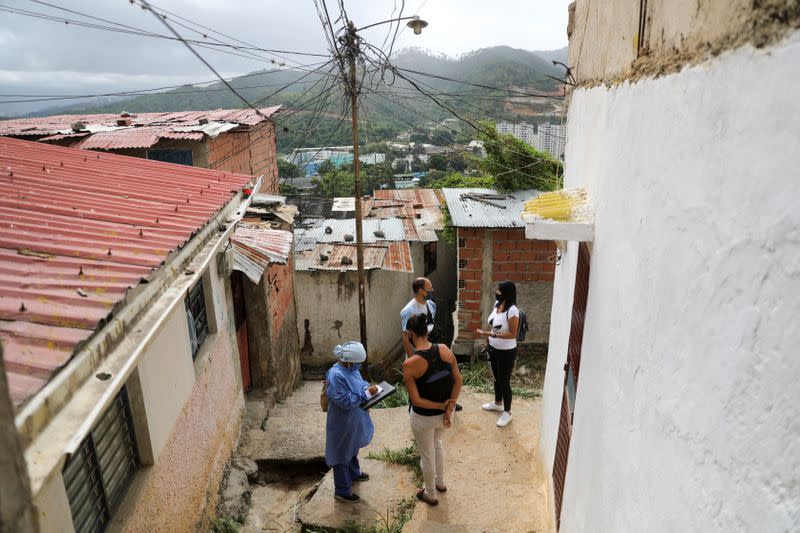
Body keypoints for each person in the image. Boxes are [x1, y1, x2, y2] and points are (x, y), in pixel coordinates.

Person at [403, 314, 462, 506]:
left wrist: (441, 407)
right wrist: (448, 408)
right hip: (446, 415)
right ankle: (440, 483)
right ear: (426, 330)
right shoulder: (445, 349)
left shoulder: (410, 364)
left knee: (426, 455)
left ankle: (430, 494)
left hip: (424, 418)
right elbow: (458, 380)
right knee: (437, 443)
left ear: (410, 333)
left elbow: (417, 401)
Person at [325, 341, 378, 503]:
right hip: (342, 422)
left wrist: (367, 388)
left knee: (353, 447)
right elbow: (344, 401)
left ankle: (354, 473)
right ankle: (342, 490)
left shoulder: (351, 369)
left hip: (355, 419)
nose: (359, 367)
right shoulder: (336, 375)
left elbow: (359, 383)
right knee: (341, 453)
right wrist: (365, 395)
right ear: (348, 361)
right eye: (357, 364)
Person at [400, 278, 463, 411]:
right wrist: (413, 358)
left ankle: (448, 402)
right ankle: (415, 409)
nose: (432, 291)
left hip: (431, 347)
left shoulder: (430, 304)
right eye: (430, 289)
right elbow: (406, 338)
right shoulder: (409, 311)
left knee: (441, 377)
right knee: (417, 383)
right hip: (417, 352)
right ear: (421, 291)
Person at [475, 280, 519, 428]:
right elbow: (494, 326)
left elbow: (513, 334)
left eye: (499, 290)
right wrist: (488, 339)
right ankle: (498, 403)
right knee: (496, 378)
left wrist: (490, 335)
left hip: (506, 351)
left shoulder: (512, 311)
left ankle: (507, 412)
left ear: (507, 293)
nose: (497, 292)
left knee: (504, 382)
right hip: (493, 348)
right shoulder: (497, 305)